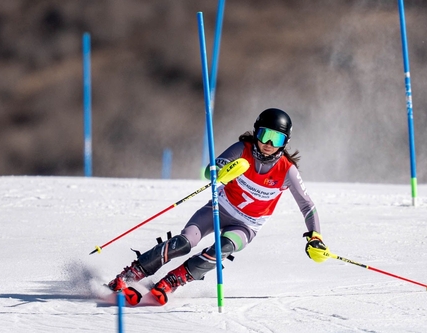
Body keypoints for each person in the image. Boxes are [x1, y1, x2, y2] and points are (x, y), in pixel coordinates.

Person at [107, 108, 328, 305]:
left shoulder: (287, 170)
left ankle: (171, 282)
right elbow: (209, 171)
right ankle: (130, 275)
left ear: (285, 142)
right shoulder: (242, 149)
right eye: (264, 135)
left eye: (276, 138)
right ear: (256, 132)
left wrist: (315, 236)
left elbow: (307, 205)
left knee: (222, 249)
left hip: (247, 225)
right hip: (219, 208)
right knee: (184, 243)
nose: (269, 144)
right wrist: (221, 173)